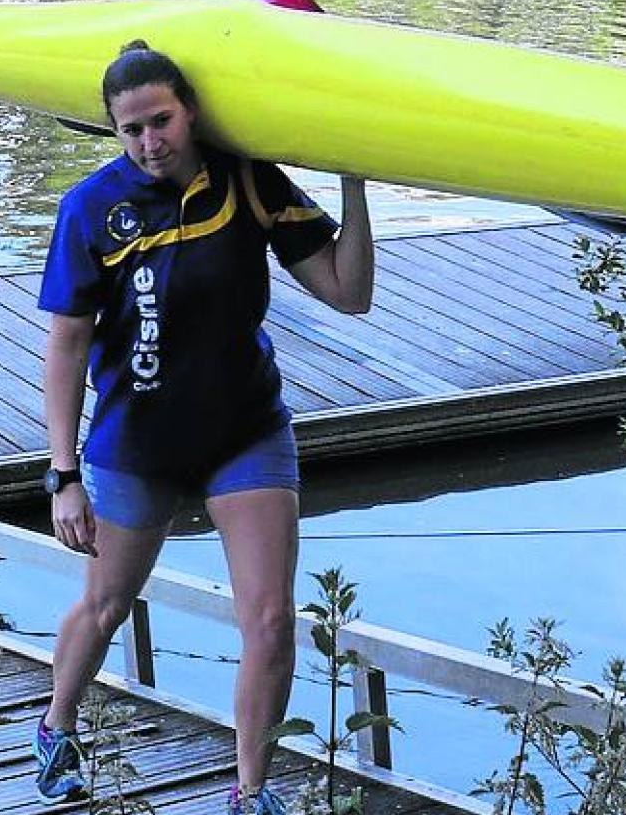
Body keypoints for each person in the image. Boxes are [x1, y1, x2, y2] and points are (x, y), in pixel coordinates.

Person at [32, 41, 374, 814]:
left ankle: (250, 791)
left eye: (162, 121)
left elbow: (348, 292)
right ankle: (56, 726)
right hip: (135, 444)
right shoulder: (91, 208)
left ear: (190, 112)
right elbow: (66, 345)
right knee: (106, 606)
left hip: (244, 431)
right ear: (113, 132)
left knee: (270, 619)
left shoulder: (246, 181)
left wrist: (356, 180)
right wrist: (62, 475)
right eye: (131, 130)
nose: (150, 142)